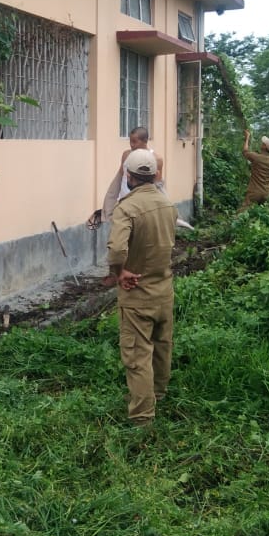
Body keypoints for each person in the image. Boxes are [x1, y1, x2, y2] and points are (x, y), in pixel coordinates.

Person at [106, 149, 179, 427]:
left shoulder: (127, 208)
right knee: (162, 346)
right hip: (164, 290)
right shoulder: (167, 205)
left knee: (138, 356)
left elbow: (115, 249)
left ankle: (142, 418)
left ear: (128, 176)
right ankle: (158, 394)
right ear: (155, 175)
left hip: (138, 295)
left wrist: (119, 272)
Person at [240, 129, 269, 209]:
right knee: (264, 212)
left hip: (254, 192)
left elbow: (245, 151)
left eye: (263, 143)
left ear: (264, 147)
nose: (262, 143)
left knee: (243, 212)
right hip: (268, 192)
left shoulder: (256, 157)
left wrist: (247, 137)